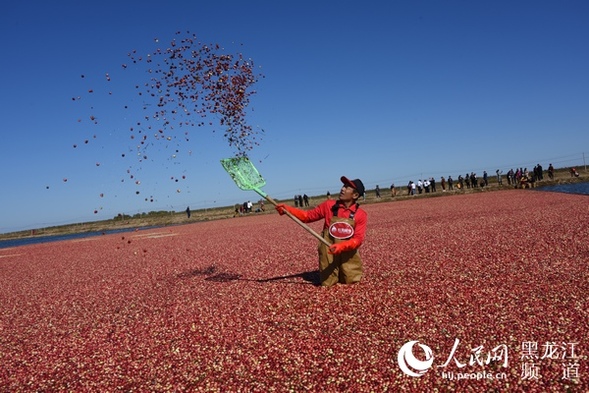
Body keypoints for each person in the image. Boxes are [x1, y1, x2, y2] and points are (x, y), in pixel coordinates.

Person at [275, 176, 367, 287]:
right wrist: (288, 209)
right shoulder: (329, 205)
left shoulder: (360, 214)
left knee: (351, 281)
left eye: (347, 187)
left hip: (348, 251)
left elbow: (358, 239)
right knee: (328, 283)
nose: (342, 189)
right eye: (343, 186)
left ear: (355, 195)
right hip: (328, 250)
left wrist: (342, 246)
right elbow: (307, 216)